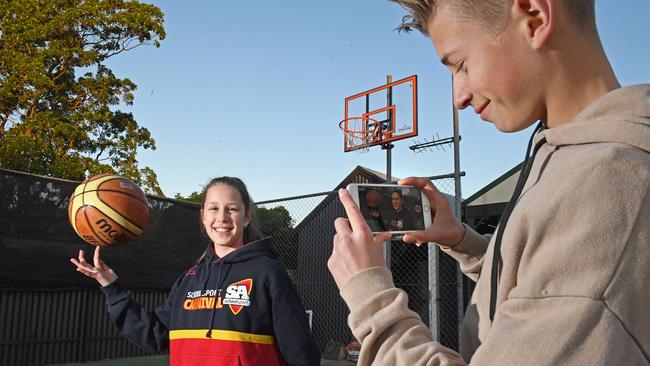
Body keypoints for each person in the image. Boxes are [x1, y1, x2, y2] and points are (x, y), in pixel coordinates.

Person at [328, 0, 650, 365]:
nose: (459, 97)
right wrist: (463, 242)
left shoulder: (604, 188)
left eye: (461, 65)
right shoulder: (569, 158)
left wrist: (372, 301)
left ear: (535, 17)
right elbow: (547, 290)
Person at [72, 176, 321, 366]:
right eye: (213, 208)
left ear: (246, 217)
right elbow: (154, 335)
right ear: (203, 217)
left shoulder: (268, 272)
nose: (222, 217)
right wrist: (111, 287)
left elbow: (302, 355)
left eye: (232, 209)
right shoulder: (190, 280)